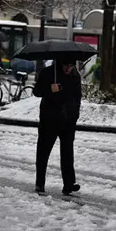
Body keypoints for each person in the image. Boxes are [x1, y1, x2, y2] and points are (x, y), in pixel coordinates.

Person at [33, 59, 82, 195]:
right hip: (50, 118)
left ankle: (69, 183)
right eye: (66, 64)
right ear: (60, 63)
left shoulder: (75, 75)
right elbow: (37, 91)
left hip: (68, 119)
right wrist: (50, 88)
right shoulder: (49, 73)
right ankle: (40, 183)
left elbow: (78, 96)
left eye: (71, 65)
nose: (68, 68)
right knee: (43, 151)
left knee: (67, 153)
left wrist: (75, 112)